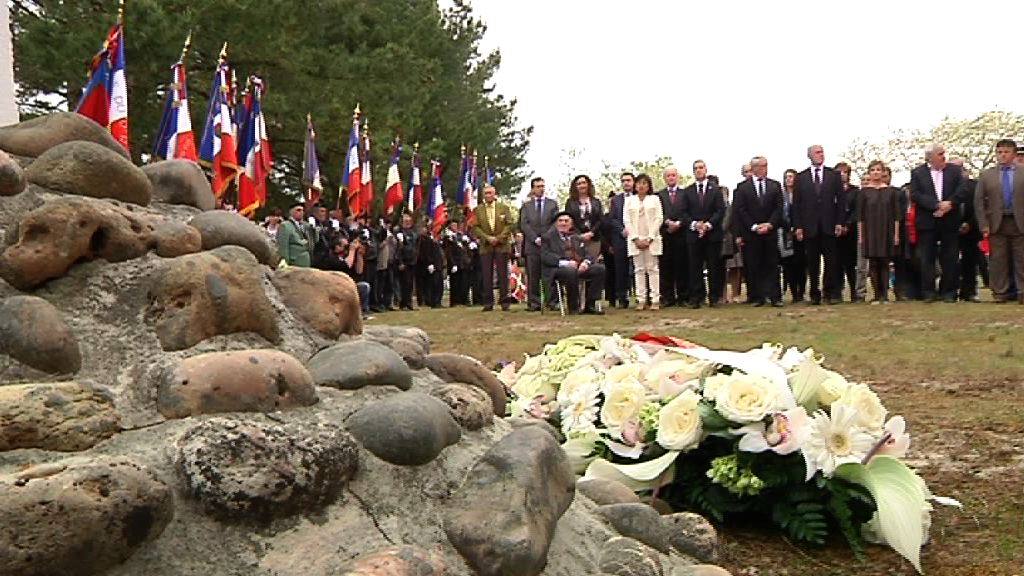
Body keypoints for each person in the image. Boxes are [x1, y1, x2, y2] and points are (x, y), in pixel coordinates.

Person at [910, 143, 967, 302]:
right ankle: (928, 292)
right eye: (940, 153)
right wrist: (936, 205)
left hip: (950, 220)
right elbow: (915, 194)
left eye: (944, 153)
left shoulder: (955, 171)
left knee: (950, 258)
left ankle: (948, 292)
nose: (944, 156)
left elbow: (963, 190)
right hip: (928, 221)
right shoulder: (918, 173)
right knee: (927, 258)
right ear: (930, 157)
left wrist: (950, 204)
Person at [793, 145, 846, 305]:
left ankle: (829, 292)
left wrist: (839, 222)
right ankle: (814, 293)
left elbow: (841, 202)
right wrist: (798, 226)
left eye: (822, 152)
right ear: (809, 155)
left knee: (831, 261)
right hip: (810, 227)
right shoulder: (801, 178)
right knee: (812, 262)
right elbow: (796, 205)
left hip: (829, 225)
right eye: (817, 152)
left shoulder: (834, 175)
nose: (821, 155)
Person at [974, 138, 1024, 303]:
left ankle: (1021, 292)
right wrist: (983, 224)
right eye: (999, 152)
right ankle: (1000, 293)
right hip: (996, 223)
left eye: (1006, 152)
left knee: (1021, 259)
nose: (1002, 155)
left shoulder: (1022, 172)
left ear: (1014, 154)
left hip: (1019, 222)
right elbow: (979, 201)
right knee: (998, 260)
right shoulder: (987, 175)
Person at [734, 156, 784, 307]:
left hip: (770, 232)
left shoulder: (775, 185)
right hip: (751, 233)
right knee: (753, 265)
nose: (764, 169)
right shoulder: (742, 188)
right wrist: (754, 226)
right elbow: (740, 211)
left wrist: (769, 224)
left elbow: (779, 208)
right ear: (754, 168)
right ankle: (757, 297)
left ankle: (775, 297)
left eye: (765, 165)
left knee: (772, 264)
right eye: (761, 166)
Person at [541, 211, 606, 314]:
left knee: (599, 269)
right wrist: (566, 263)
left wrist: (586, 262)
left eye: (566, 221)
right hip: (558, 270)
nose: (563, 223)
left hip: (579, 267)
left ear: (571, 224)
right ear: (556, 224)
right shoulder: (547, 238)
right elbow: (545, 257)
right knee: (570, 271)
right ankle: (574, 307)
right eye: (560, 221)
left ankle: (590, 305)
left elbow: (588, 254)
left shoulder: (576, 237)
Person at [680, 160, 725, 308]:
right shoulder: (688, 191)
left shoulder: (715, 189)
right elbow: (683, 212)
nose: (698, 170)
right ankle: (697, 297)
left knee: (714, 266)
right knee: (694, 267)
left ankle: (714, 297)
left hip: (712, 234)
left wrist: (707, 225)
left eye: (701, 168)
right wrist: (695, 225)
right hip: (694, 235)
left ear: (706, 170)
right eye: (695, 168)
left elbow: (720, 210)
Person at [857, 161, 900, 303]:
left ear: (883, 172)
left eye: (878, 170)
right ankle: (876, 295)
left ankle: (885, 295)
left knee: (885, 262)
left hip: (886, 230)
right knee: (873, 263)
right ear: (869, 173)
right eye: (873, 170)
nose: (876, 172)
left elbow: (896, 216)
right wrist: (861, 236)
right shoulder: (864, 192)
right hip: (870, 231)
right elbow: (860, 217)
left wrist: (896, 235)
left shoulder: (891, 192)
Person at [518, 177, 558, 311]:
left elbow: (555, 223)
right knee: (533, 275)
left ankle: (551, 302)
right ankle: (534, 303)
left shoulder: (552, 204)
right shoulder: (526, 206)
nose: (541, 188)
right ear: (533, 189)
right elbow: (523, 224)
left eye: (542, 186)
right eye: (538, 186)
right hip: (532, 245)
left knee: (549, 274)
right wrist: (535, 238)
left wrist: (546, 237)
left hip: (548, 245)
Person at [625, 173, 664, 310]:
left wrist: (650, 238)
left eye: (644, 183)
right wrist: (635, 238)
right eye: (639, 183)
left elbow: (659, 218)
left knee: (653, 269)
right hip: (635, 239)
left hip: (651, 239)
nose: (641, 186)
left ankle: (655, 299)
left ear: (649, 186)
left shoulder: (654, 199)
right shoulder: (630, 200)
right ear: (635, 185)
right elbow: (627, 220)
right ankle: (641, 299)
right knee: (639, 269)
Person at [472, 184, 513, 311]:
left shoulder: (504, 208)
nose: (488, 195)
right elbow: (475, 227)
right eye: (486, 193)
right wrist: (487, 238)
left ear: (495, 194)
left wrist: (499, 238)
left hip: (501, 245)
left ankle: (505, 302)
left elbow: (509, 224)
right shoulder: (477, 210)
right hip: (486, 246)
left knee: (502, 274)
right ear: (483, 195)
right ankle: (488, 303)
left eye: (491, 193)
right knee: (486, 275)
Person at [950, 158, 982, 302]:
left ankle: (969, 292)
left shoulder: (976, 186)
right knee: (950, 262)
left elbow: (981, 207)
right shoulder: (947, 186)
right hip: (950, 229)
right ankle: (950, 291)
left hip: (971, 230)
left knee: (970, 262)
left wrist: (970, 223)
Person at [658, 166, 689, 306]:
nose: (671, 178)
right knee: (665, 267)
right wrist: (667, 222)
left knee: (681, 267)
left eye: (673, 175)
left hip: (681, 235)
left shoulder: (685, 193)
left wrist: (679, 223)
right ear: (665, 178)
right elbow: (658, 213)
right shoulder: (659, 195)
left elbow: (688, 211)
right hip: (665, 234)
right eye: (668, 176)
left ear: (678, 177)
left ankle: (683, 297)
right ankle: (667, 297)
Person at [322, 236, 372, 319]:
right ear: (337, 247)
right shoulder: (330, 257)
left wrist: (359, 255)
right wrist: (352, 250)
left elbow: (359, 271)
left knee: (364, 286)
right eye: (344, 246)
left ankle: (361, 313)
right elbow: (346, 265)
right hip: (335, 286)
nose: (347, 247)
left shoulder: (347, 255)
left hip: (348, 285)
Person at [834, 162, 863, 302]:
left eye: (845, 172)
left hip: (851, 233)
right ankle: (837, 293)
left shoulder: (855, 191)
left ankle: (854, 293)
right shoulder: (831, 192)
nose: (842, 175)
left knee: (851, 264)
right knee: (836, 264)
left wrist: (847, 225)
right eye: (839, 172)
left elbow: (856, 211)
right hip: (835, 233)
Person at [604, 172, 634, 308]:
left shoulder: (640, 197)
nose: (626, 183)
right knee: (621, 268)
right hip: (620, 238)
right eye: (623, 181)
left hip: (639, 237)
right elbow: (612, 219)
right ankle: (622, 297)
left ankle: (643, 296)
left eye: (628, 180)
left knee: (639, 267)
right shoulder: (616, 200)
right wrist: (622, 230)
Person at [780, 168, 806, 302]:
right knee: (788, 265)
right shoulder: (781, 195)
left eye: (791, 176)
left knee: (801, 263)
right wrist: (787, 226)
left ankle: (801, 292)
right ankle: (793, 293)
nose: (789, 179)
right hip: (785, 234)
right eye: (786, 177)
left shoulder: (801, 193)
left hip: (800, 233)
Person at [565, 174, 604, 260]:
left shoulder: (596, 201)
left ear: (588, 185)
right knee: (579, 264)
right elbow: (568, 220)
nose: (582, 185)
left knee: (592, 264)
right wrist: (580, 235)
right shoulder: (570, 202)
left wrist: (591, 233)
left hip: (594, 239)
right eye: (578, 184)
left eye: (584, 183)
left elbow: (600, 220)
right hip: (577, 239)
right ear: (575, 187)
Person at [721, 185, 744, 303]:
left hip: (732, 240)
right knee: (722, 270)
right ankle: (723, 295)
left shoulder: (731, 207)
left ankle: (735, 294)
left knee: (735, 268)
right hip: (720, 241)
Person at [277, 202, 316, 267]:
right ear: (291, 212)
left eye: (303, 210)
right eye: (298, 210)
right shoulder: (285, 225)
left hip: (307, 262)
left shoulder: (306, 225)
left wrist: (314, 229)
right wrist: (285, 261)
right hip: (294, 262)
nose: (301, 212)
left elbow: (315, 240)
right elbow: (283, 246)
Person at [442, 219, 471, 306]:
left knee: (464, 283)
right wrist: (453, 263)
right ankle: (455, 301)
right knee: (455, 284)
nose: (454, 227)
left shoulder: (460, 236)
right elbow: (448, 252)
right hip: (455, 263)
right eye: (453, 225)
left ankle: (464, 300)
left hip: (463, 263)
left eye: (455, 225)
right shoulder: (448, 237)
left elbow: (465, 250)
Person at [395, 211, 418, 311]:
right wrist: (400, 262)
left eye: (409, 219)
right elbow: (398, 249)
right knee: (403, 283)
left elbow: (415, 247)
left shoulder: (413, 233)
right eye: (405, 219)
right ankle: (403, 303)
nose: (407, 221)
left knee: (410, 284)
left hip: (412, 261)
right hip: (403, 261)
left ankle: (409, 303)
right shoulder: (399, 232)